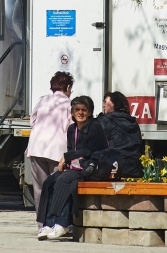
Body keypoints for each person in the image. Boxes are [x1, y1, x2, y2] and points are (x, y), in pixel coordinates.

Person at [36, 96, 107, 240]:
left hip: (91, 167)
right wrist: (68, 161)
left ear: (90, 112)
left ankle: (62, 223)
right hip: (75, 167)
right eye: (77, 110)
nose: (80, 113)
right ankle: (48, 223)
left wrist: (67, 157)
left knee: (64, 180)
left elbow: (90, 150)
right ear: (72, 112)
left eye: (84, 110)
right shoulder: (72, 128)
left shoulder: (95, 126)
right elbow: (71, 150)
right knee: (49, 182)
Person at [26, 72, 73, 219]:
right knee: (56, 188)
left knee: (39, 189)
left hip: (36, 147)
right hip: (56, 151)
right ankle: (55, 223)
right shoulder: (68, 103)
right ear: (68, 87)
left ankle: (41, 224)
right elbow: (71, 127)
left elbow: (32, 121)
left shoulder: (42, 100)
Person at [97, 91, 143, 179]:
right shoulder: (133, 123)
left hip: (113, 170)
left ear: (115, 104)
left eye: (106, 102)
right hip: (134, 170)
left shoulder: (104, 120)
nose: (103, 105)